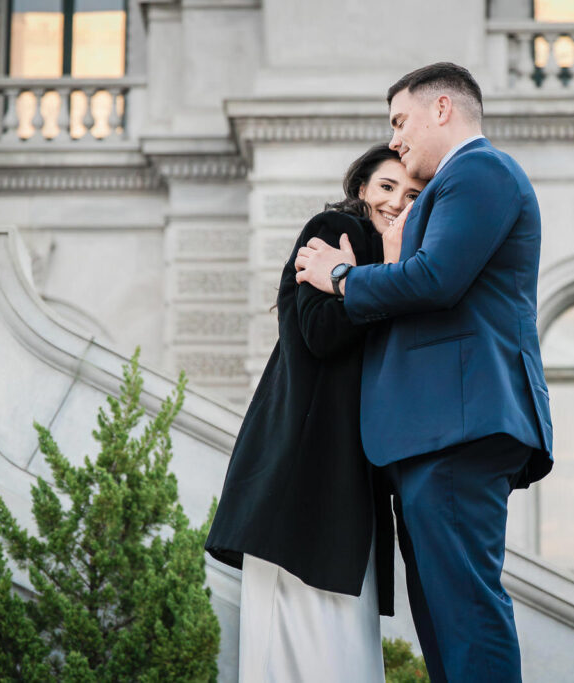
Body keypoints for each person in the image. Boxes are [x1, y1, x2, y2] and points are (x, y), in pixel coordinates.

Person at [294, 62, 554, 682]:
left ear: (442, 109)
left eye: (400, 121)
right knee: (440, 617)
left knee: (464, 612)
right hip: (431, 433)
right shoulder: (456, 184)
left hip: (458, 429)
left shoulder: (480, 171)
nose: (396, 140)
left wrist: (339, 277)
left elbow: (436, 279)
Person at [204, 144, 426, 682]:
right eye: (387, 187)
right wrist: (378, 274)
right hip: (301, 481)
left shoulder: (407, 264)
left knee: (344, 655)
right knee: (297, 655)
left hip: (347, 484)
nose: (397, 202)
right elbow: (322, 334)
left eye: (413, 194)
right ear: (361, 191)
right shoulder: (332, 230)